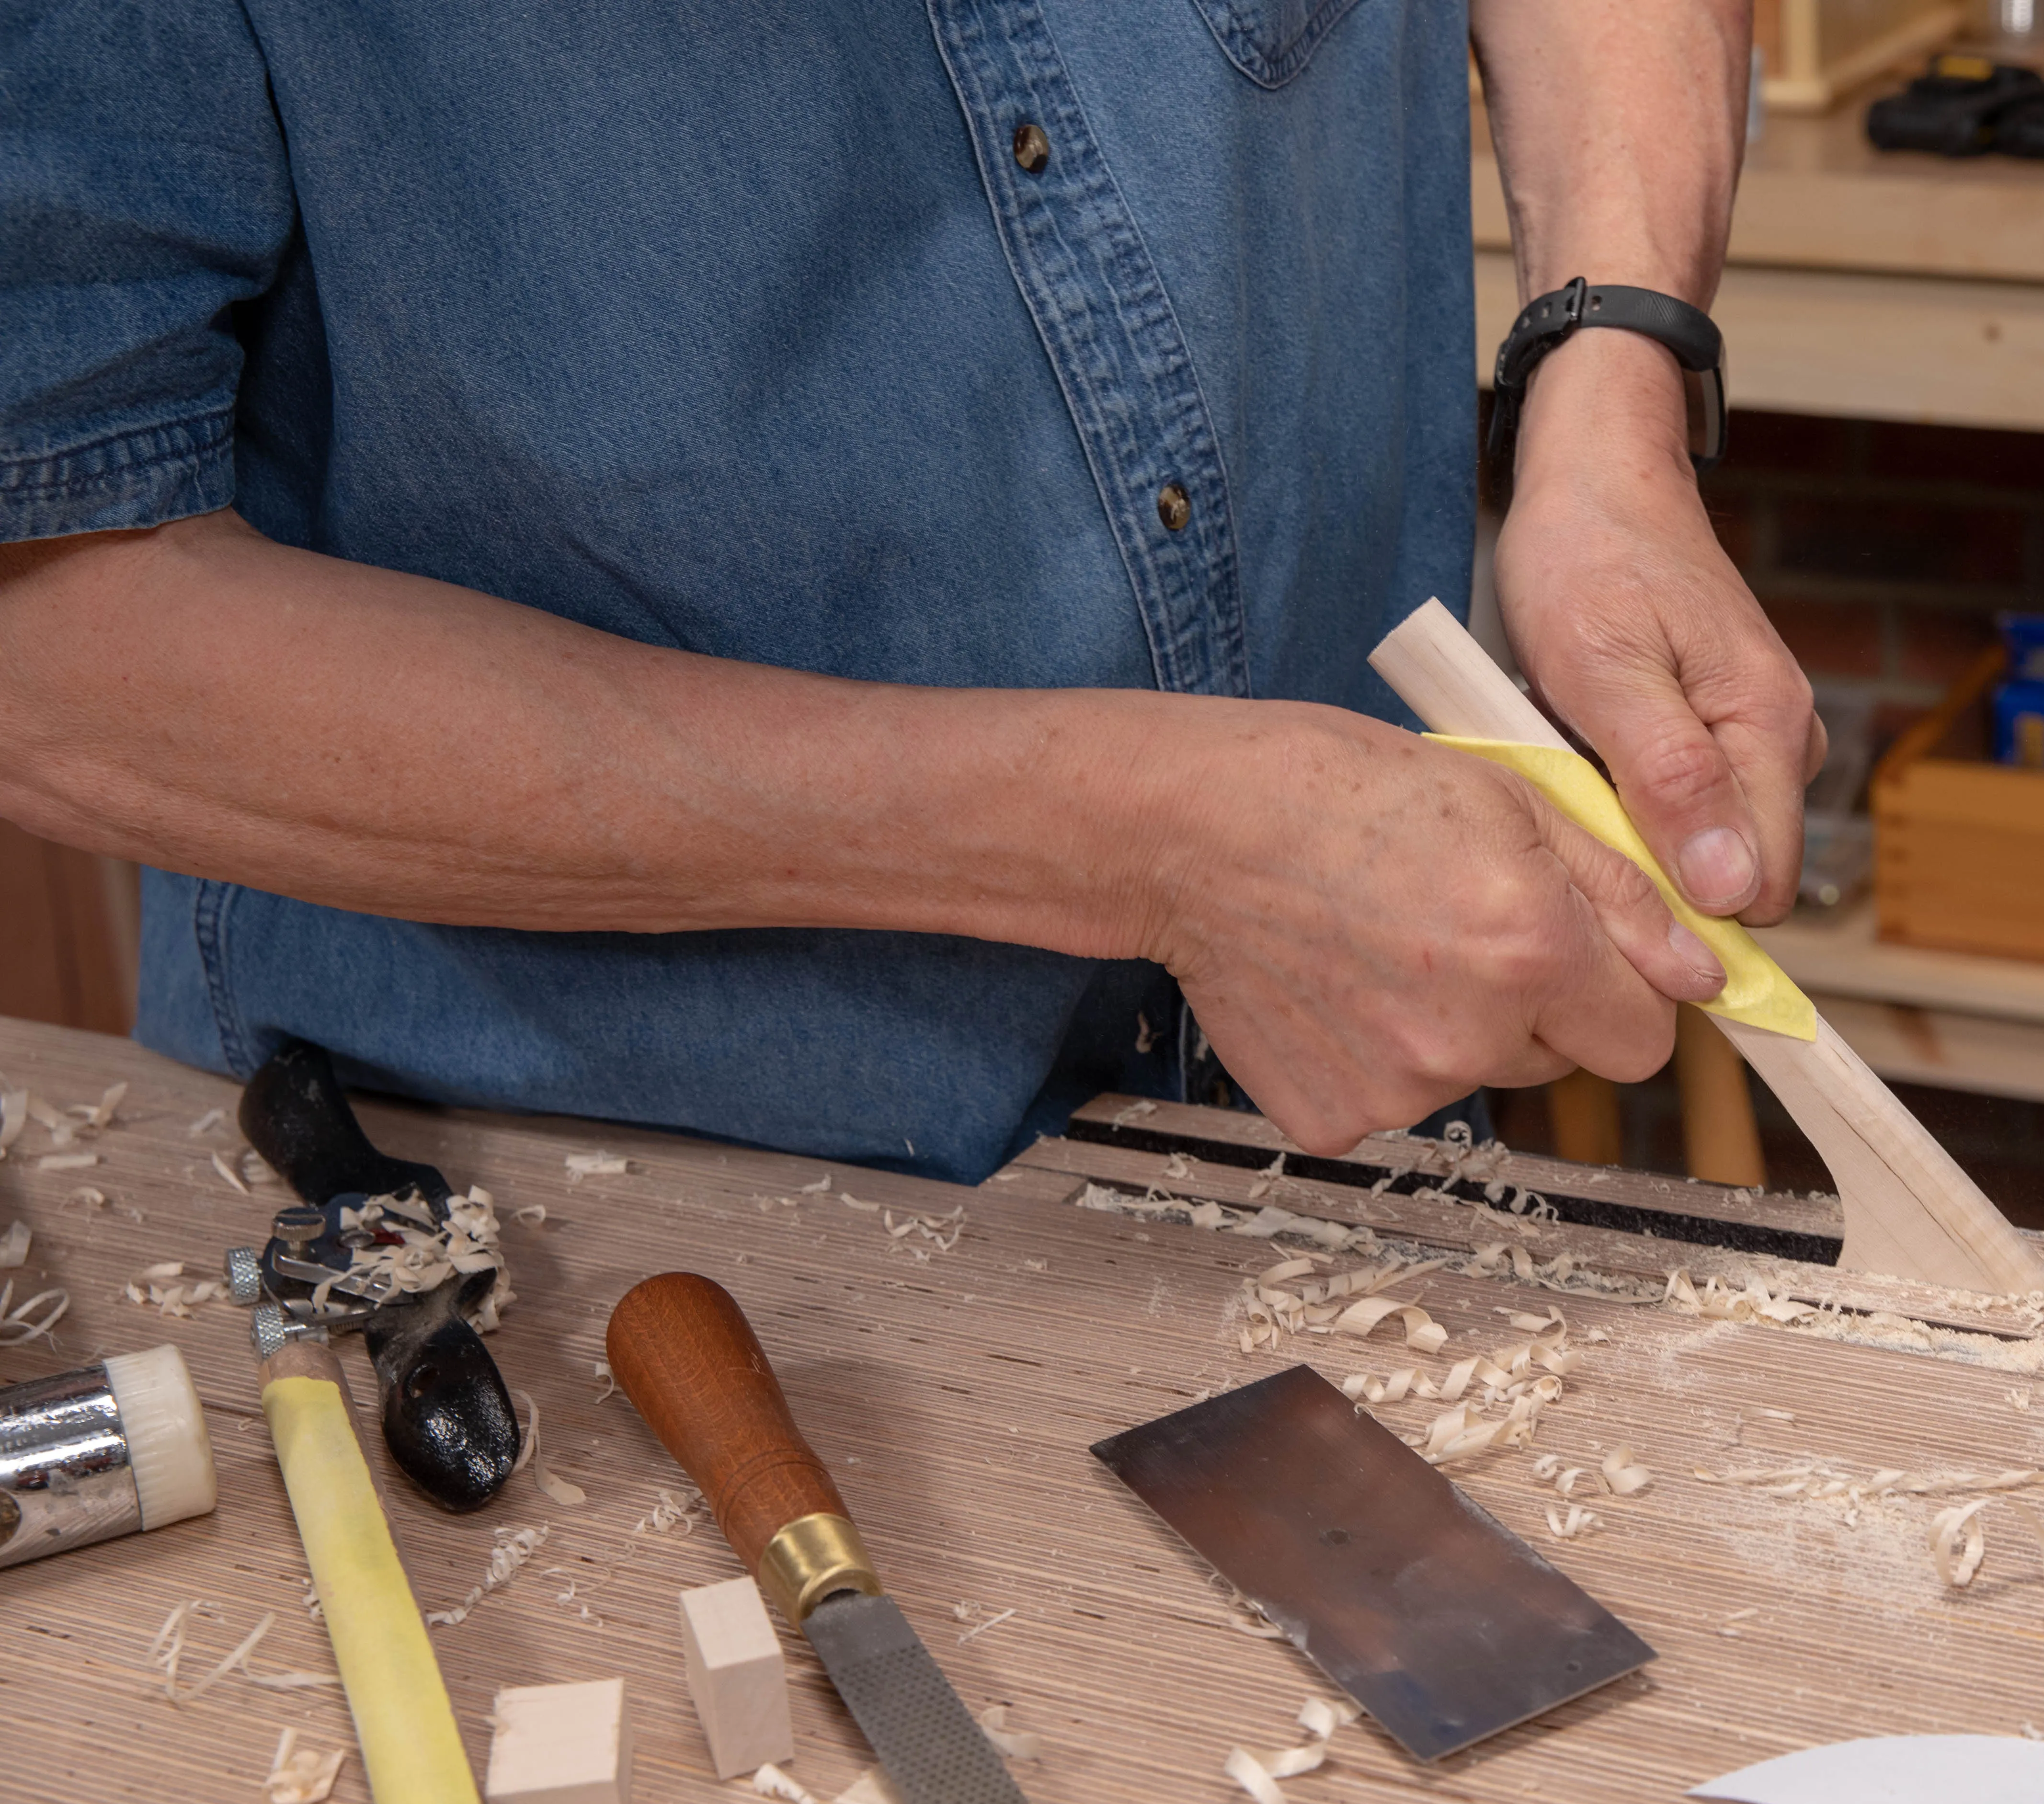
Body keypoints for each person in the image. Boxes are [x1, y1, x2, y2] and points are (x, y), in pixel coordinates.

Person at [0, 0, 1817, 1177]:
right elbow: (56, 641)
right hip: (567, 1190)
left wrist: (1611, 379)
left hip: (1344, 1108)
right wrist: (1143, 841)